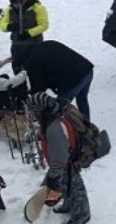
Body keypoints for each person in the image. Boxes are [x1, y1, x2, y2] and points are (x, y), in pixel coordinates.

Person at [28, 91, 91, 224]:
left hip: (67, 162)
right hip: (67, 161)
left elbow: (60, 156)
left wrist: (53, 175)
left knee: (74, 187)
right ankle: (69, 205)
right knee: (66, 185)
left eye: (34, 112)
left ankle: (82, 215)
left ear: (40, 111)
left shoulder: (54, 127)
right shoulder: (52, 117)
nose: (32, 115)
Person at [10, 39, 94, 120]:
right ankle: (88, 128)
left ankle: (70, 132)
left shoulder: (33, 60)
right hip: (86, 70)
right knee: (82, 101)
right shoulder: (46, 44)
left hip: (73, 82)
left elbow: (38, 87)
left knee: (58, 111)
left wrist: (31, 100)